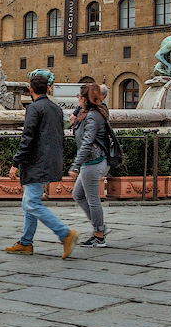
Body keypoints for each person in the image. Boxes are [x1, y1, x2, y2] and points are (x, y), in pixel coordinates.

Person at [6, 73, 78, 258]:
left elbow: (27, 138)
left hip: (35, 162)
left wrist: (16, 163)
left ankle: (65, 233)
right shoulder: (56, 109)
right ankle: (26, 242)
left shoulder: (34, 108)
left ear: (30, 90)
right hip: (50, 161)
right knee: (28, 203)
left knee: (31, 203)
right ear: (48, 89)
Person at [71, 83, 114, 247]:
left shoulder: (92, 116)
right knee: (78, 195)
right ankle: (100, 227)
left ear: (85, 99)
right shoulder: (88, 113)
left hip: (92, 162)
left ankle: (99, 236)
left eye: (79, 96)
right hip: (91, 162)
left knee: (93, 199)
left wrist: (75, 166)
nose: (78, 99)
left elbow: (87, 143)